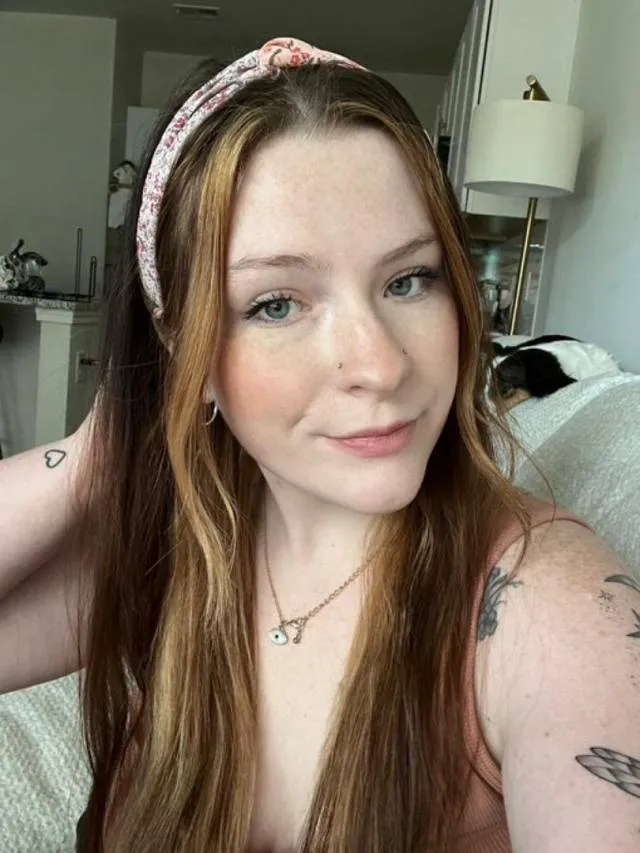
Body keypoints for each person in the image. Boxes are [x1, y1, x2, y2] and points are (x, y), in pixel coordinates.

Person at [0, 36, 638, 853]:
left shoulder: (550, 607)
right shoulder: (184, 545)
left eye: (409, 279)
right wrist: (105, 447)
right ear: (184, 348)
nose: (380, 365)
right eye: (277, 304)